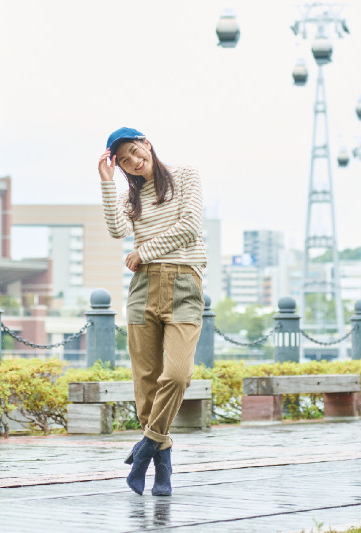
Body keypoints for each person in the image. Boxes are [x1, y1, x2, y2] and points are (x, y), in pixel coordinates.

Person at [98, 127, 207, 496]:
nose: (132, 161)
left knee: (177, 374)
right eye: (124, 160)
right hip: (143, 287)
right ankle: (162, 465)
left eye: (133, 151)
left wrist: (143, 251)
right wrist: (107, 181)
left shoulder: (185, 176)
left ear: (147, 143)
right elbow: (116, 231)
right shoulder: (134, 197)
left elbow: (190, 227)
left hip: (184, 283)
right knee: (145, 381)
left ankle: (145, 449)